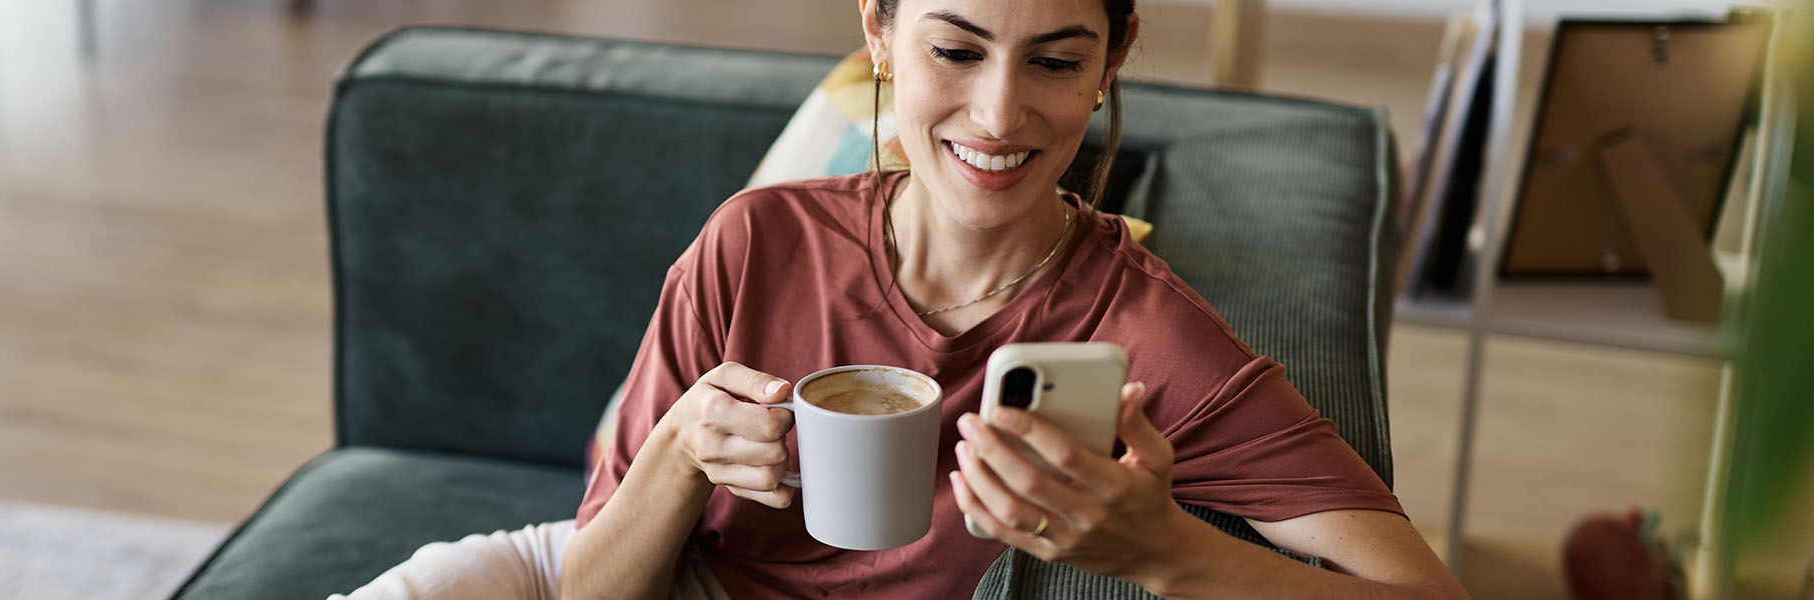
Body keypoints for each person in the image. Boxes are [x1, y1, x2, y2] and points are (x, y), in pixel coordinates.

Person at [335, 0, 1470, 598]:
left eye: (1055, 61)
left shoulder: (1143, 337)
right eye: (956, 51)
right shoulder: (758, 240)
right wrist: (681, 449)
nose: (999, 114)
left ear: (1112, 59)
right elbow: (591, 587)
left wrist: (1164, 551)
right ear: (879, 33)